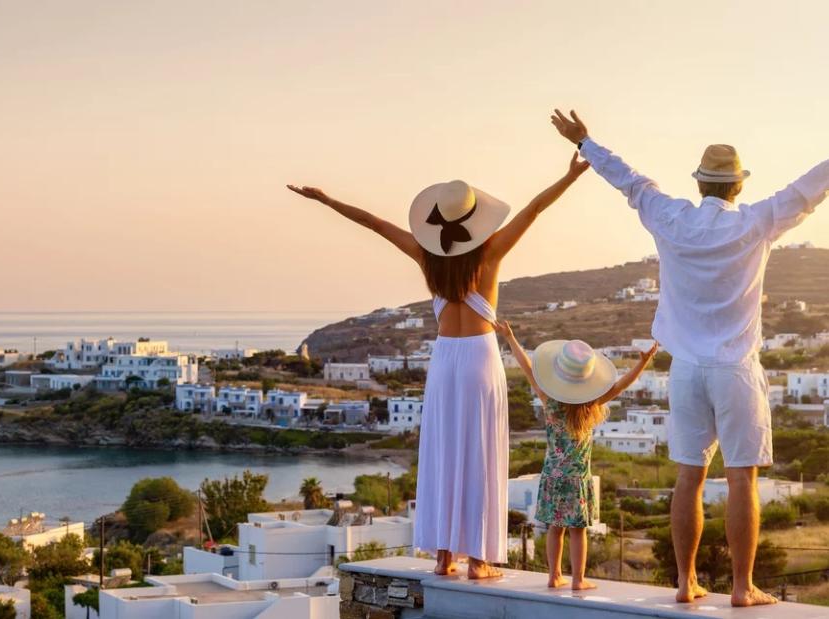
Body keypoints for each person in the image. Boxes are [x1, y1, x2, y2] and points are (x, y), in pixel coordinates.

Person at [551, 109, 829, 606]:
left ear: (700, 183)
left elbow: (630, 181)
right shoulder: (756, 221)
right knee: (742, 478)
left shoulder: (671, 217)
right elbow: (807, 189)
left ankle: (685, 582)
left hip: (685, 370)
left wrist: (585, 141)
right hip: (735, 369)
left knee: (688, 477)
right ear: (738, 186)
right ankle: (742, 588)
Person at [287, 152, 589, 578]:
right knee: (480, 453)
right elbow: (535, 208)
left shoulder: (427, 257)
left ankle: (444, 557)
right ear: (476, 222)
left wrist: (325, 199)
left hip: (445, 358)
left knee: (444, 452)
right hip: (480, 356)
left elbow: (374, 223)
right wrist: (570, 176)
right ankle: (479, 560)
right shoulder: (491, 252)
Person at [498, 320, 657, 590]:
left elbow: (528, 368)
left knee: (555, 528)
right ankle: (578, 580)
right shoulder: (590, 406)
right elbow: (621, 385)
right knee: (577, 531)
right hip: (577, 479)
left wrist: (511, 337)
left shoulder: (549, 402)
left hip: (552, 476)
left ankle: (554, 575)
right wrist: (642, 363)